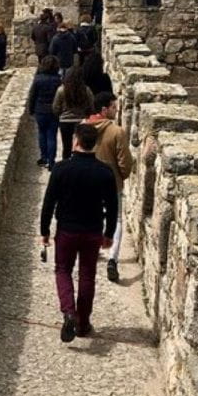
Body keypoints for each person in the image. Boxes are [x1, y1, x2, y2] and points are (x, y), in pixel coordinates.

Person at [40, 122, 118, 341]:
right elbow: (112, 207)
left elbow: (49, 203)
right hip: (92, 231)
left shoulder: (61, 168)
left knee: (62, 270)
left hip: (66, 230)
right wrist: (109, 234)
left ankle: (68, 312)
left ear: (75, 141)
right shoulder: (105, 172)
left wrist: (44, 230)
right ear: (95, 143)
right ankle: (83, 324)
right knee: (87, 275)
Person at [84, 92, 134, 283]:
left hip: (88, 181)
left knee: (93, 215)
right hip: (112, 183)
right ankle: (112, 258)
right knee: (117, 220)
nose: (117, 110)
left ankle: (94, 249)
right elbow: (126, 163)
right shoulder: (117, 132)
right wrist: (122, 176)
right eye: (114, 107)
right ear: (104, 109)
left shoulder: (84, 127)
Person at [52, 65, 94, 161]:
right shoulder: (86, 90)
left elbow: (55, 107)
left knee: (66, 146)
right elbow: (91, 106)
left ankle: (66, 164)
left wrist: (60, 115)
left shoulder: (61, 90)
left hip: (65, 121)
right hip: (81, 121)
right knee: (80, 146)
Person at [27, 55, 62, 169]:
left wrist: (31, 109)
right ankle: (51, 162)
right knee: (52, 135)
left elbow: (33, 95)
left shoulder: (38, 79)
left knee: (42, 134)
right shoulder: (58, 80)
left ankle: (44, 158)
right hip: (53, 111)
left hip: (40, 110)